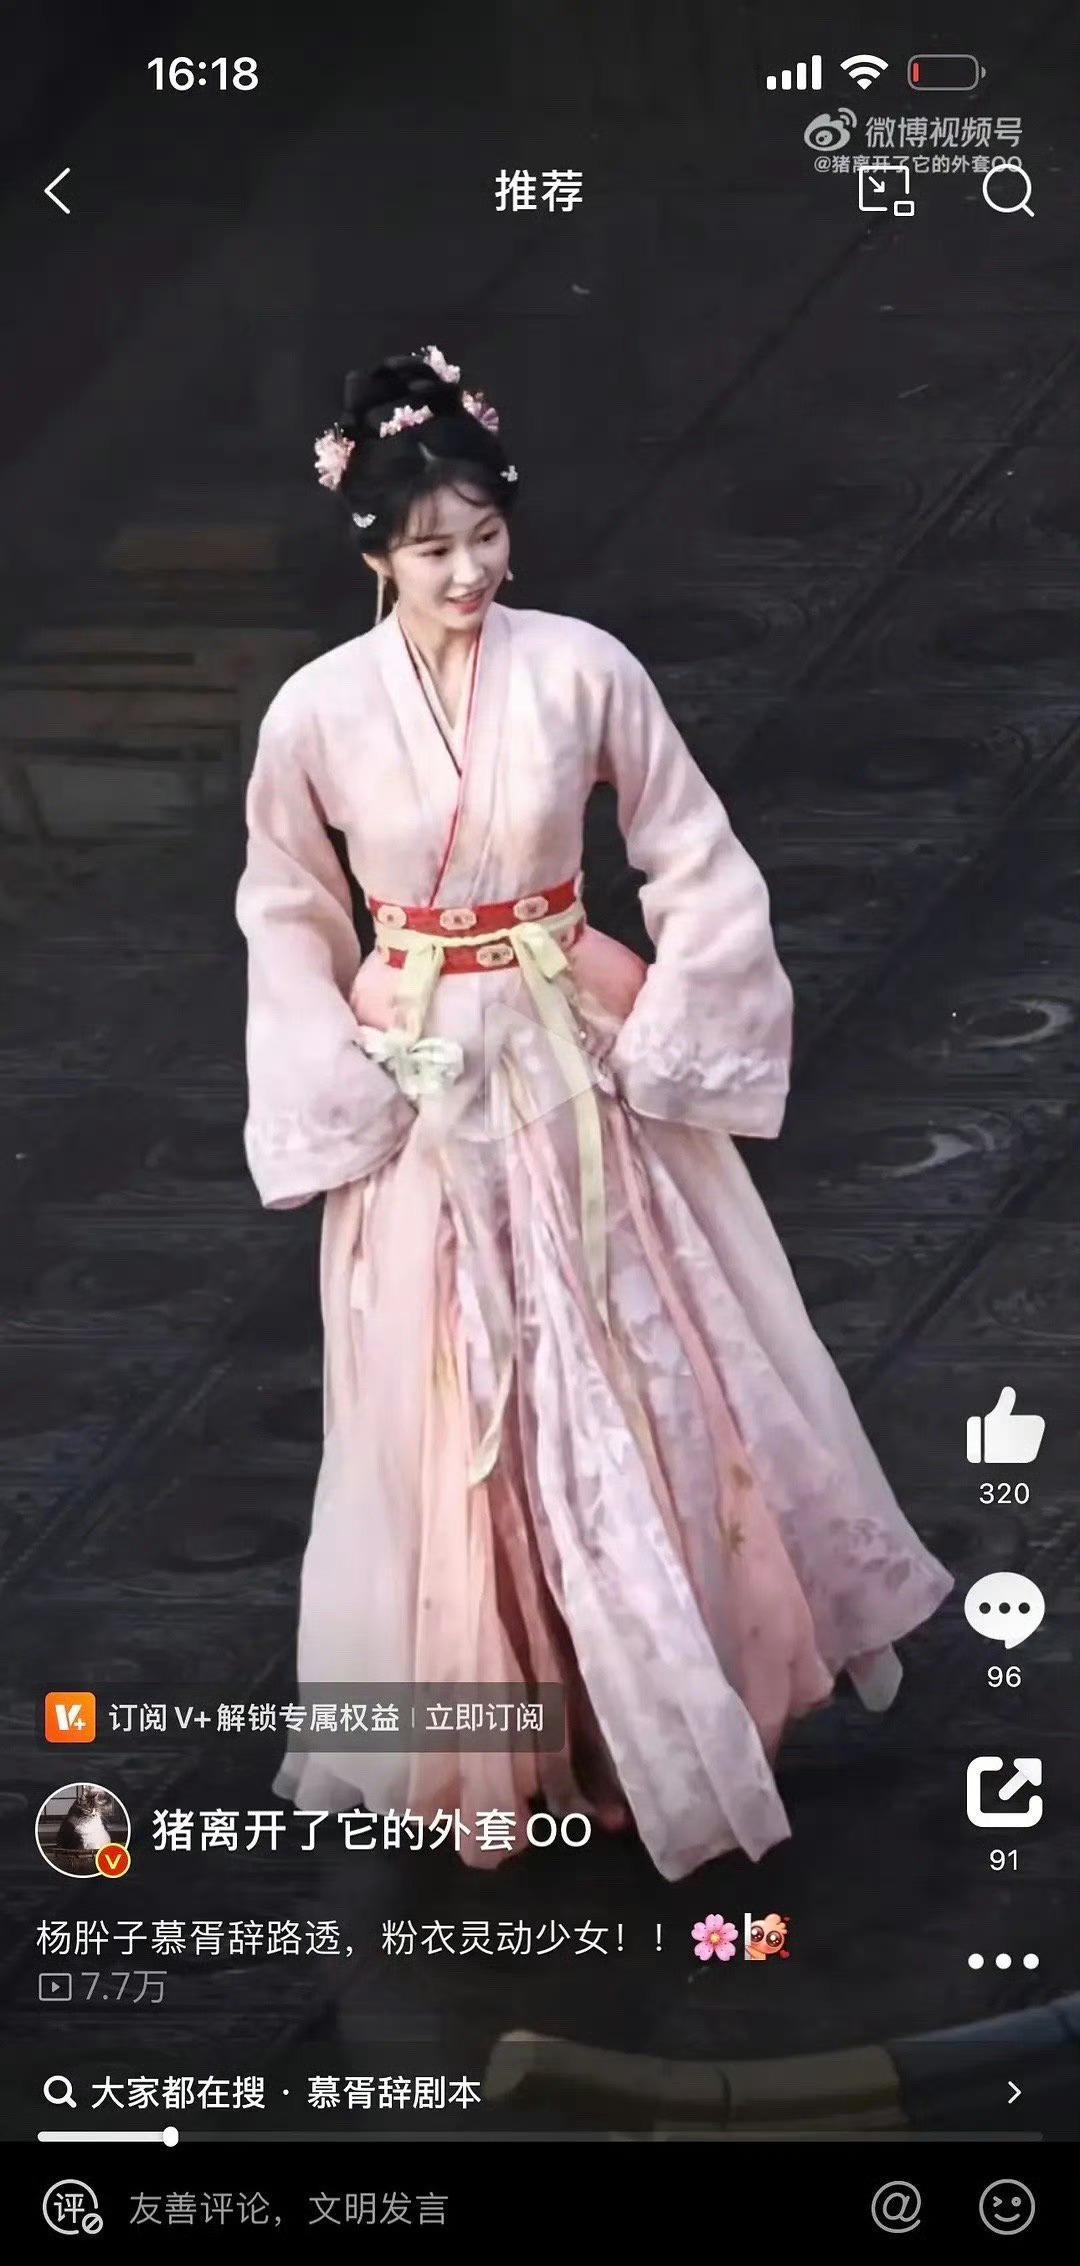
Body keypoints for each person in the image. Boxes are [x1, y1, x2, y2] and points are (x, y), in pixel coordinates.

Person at [235, 343, 952, 1882]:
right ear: (374, 554)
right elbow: (286, 905)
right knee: (448, 1387)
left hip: (573, 1035)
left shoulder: (582, 669)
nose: (469, 572)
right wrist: (337, 1068)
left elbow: (693, 848)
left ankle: (669, 1710)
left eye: (486, 536)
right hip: (425, 1062)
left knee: (645, 1355)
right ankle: (526, 1723)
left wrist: (678, 1025)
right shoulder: (316, 712)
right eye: (433, 547)